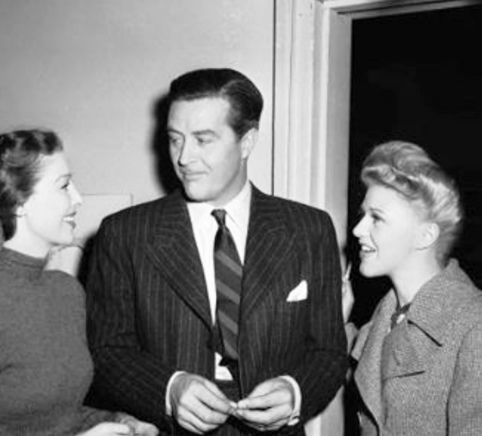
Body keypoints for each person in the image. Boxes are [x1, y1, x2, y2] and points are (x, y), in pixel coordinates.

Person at [85, 68, 348, 435]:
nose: (184, 157)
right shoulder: (125, 234)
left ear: (247, 141)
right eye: (175, 139)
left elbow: (329, 352)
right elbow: (106, 352)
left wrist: (296, 392)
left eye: (203, 140)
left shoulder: (309, 229)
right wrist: (169, 389)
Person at [0, 129, 158, 436]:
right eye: (64, 185)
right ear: (18, 202)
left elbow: (57, 416)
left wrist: (117, 421)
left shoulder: (66, 291)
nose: (78, 199)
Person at [350, 140, 482, 435]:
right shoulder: (385, 317)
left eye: (377, 218)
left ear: (424, 235)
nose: (358, 229)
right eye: (363, 216)